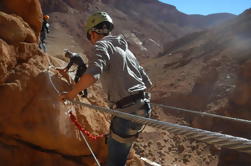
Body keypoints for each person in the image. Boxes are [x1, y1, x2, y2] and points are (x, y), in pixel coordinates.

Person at [59, 12, 152, 166]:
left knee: (114, 162)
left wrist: (70, 94)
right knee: (120, 155)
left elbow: (92, 75)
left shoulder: (101, 45)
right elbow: (147, 83)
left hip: (126, 112)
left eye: (89, 37)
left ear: (93, 33)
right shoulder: (127, 51)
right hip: (144, 108)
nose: (91, 41)